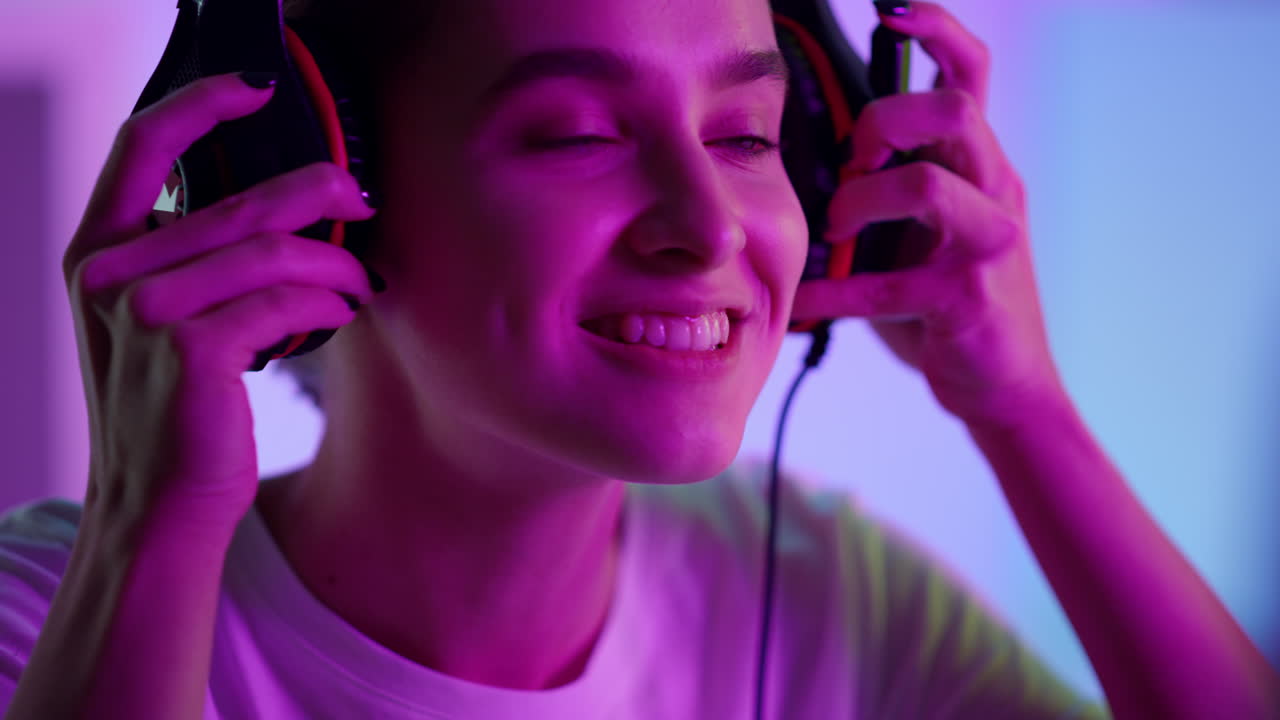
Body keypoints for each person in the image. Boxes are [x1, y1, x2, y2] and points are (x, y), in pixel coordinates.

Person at [1, 0, 1276, 718]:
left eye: (743, 135)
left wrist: (1023, 411)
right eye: (573, 135)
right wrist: (145, 527)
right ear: (316, 190)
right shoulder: (48, 617)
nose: (711, 224)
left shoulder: (833, 599)